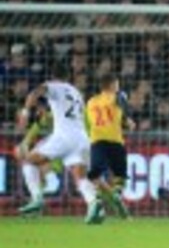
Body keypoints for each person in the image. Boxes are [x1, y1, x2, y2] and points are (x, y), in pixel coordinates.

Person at [16, 63, 103, 224]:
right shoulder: (76, 92)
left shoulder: (54, 86)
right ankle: (93, 203)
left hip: (64, 137)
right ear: (68, 76)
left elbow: (35, 93)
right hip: (81, 139)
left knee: (29, 161)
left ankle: (36, 198)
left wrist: (25, 111)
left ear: (52, 76)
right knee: (80, 177)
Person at [85, 73, 134, 219]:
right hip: (115, 141)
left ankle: (99, 202)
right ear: (112, 85)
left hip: (97, 141)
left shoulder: (91, 102)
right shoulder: (118, 97)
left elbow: (88, 123)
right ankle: (116, 195)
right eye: (117, 85)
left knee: (95, 174)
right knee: (120, 176)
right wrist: (128, 119)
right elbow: (122, 104)